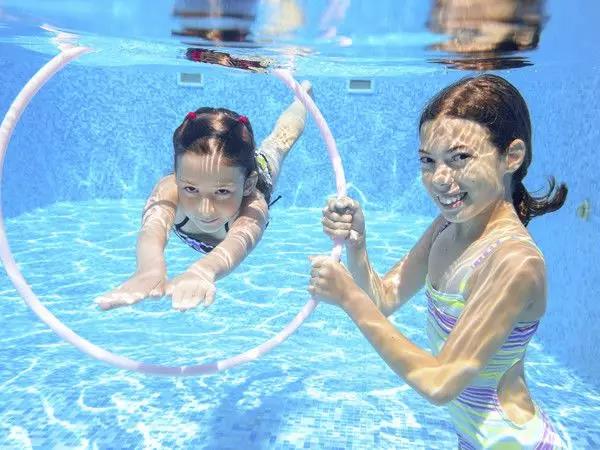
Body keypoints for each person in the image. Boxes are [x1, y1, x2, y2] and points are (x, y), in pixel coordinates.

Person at [309, 75, 566, 448]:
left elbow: (441, 382)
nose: (440, 179)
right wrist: (357, 243)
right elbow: (384, 298)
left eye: (460, 158)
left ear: (511, 156)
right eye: (428, 161)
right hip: (474, 438)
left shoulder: (514, 261)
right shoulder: (448, 226)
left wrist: (348, 297)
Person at [95, 80, 312, 312]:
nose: (205, 210)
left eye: (222, 192)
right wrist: (148, 270)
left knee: (280, 142)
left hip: (258, 170)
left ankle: (303, 99)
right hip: (230, 174)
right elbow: (151, 231)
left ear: (246, 185)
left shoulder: (253, 206)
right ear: (177, 177)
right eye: (190, 189)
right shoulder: (168, 191)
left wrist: (202, 271)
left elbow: (237, 244)